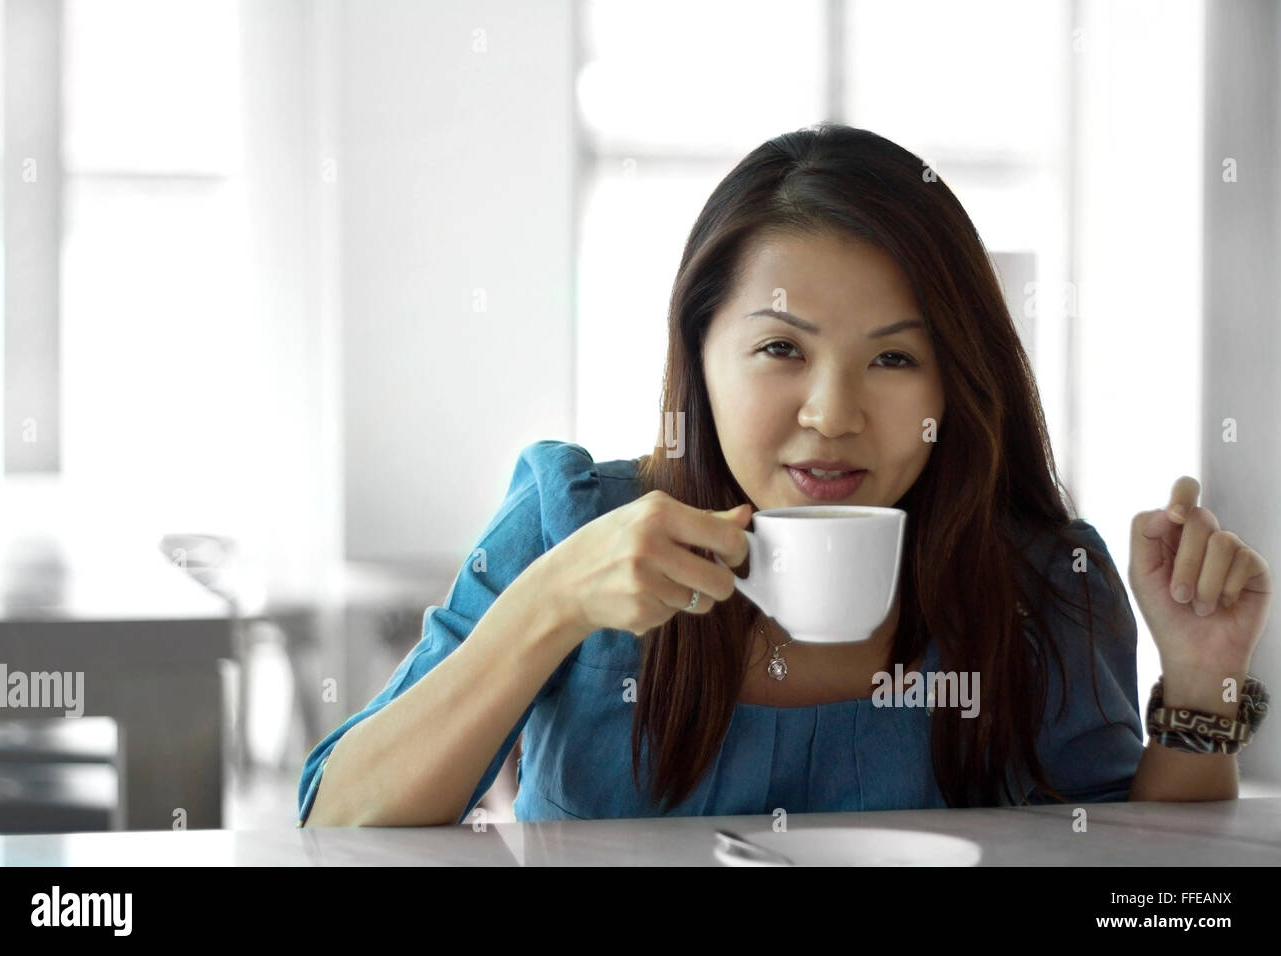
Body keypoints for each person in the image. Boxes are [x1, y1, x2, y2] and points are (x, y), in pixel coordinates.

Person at [298, 123, 1272, 828]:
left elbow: (1144, 882)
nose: (832, 414)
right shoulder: (570, 520)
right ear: (700, 352)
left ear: (955, 375)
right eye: (779, 349)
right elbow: (337, 819)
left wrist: (1201, 681)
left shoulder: (1038, 579)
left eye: (893, 358)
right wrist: (550, 601)